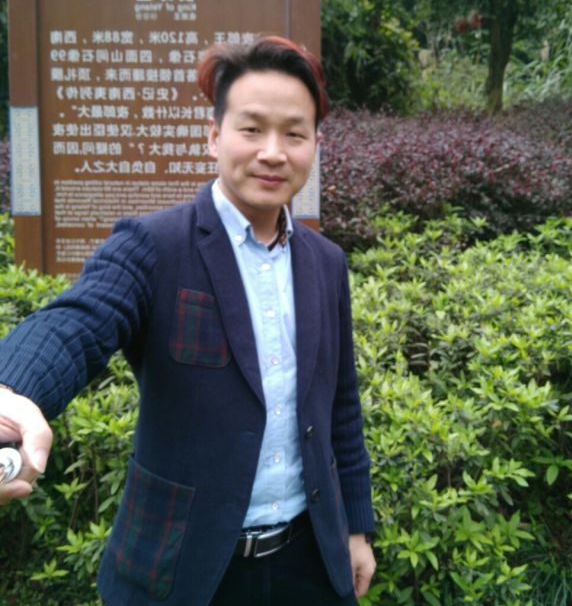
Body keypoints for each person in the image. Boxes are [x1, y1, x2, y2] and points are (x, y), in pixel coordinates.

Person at [0, 36, 375, 605]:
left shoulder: (326, 263)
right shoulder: (153, 245)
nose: (273, 152)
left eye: (294, 134)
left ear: (315, 145)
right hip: (184, 566)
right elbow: (80, 320)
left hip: (309, 560)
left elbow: (341, 405)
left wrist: (356, 527)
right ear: (214, 135)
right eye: (252, 129)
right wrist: (12, 390)